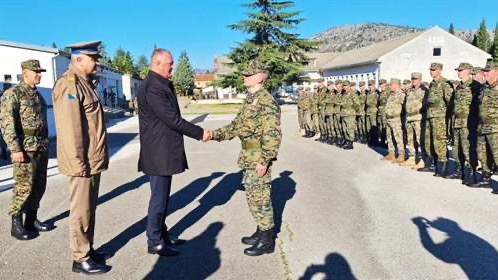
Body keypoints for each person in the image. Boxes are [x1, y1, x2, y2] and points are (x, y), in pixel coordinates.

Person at [137, 48, 211, 257]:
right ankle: (154, 241)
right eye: (170, 64)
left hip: (161, 150)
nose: (172, 67)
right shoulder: (153, 87)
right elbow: (172, 119)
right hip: (158, 152)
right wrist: (200, 133)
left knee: (162, 197)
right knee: (159, 199)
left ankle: (162, 234)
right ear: (158, 62)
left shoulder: (159, 83)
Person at [209, 59, 282, 256]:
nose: (244, 77)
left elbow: (272, 134)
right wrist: (212, 135)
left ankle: (267, 240)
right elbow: (235, 126)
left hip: (258, 157)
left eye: (248, 75)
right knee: (253, 197)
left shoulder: (266, 101)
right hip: (248, 157)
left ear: (259, 77)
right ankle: (261, 231)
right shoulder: (250, 100)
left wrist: (265, 160)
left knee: (261, 199)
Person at [52, 41, 111, 274]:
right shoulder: (70, 85)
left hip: (91, 160)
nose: (96, 62)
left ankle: (88, 248)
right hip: (82, 163)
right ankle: (80, 257)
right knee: (80, 211)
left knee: (89, 209)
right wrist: (78, 164)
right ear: (78, 60)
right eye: (92, 58)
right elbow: (70, 130)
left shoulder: (86, 84)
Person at [0, 60, 52, 241]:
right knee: (24, 187)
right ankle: (17, 225)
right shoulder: (12, 94)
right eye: (35, 71)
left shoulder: (38, 96)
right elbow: (7, 124)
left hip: (40, 147)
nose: (39, 74)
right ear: (25, 73)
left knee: (39, 186)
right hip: (24, 149)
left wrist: (46, 144)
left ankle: (32, 220)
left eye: (40, 71)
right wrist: (15, 148)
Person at [470, 60, 498, 190]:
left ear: (496, 72)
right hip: (482, 127)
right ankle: (485, 179)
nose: (485, 73)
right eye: (484, 71)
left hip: (495, 128)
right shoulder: (483, 88)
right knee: (483, 154)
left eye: (488, 71)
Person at [424, 63, 453, 177]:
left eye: (434, 70)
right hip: (430, 116)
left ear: (440, 71)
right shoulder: (432, 84)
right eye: (431, 69)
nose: (431, 71)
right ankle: (436, 165)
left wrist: (447, 118)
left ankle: (443, 166)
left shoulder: (445, 84)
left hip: (440, 117)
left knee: (439, 141)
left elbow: (450, 102)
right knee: (430, 141)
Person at [401, 72, 427, 169]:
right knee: (410, 139)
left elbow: (425, 105)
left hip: (418, 118)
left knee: (420, 139)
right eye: (412, 78)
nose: (413, 80)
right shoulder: (409, 91)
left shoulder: (424, 90)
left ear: (420, 79)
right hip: (409, 118)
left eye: (415, 79)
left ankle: (423, 159)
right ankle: (412, 158)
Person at [383, 79, 406, 163]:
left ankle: (401, 155)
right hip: (389, 119)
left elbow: (405, 108)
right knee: (389, 137)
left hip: (396, 119)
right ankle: (391, 153)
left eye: (391, 84)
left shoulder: (401, 95)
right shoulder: (391, 95)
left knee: (398, 138)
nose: (389, 86)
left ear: (396, 85)